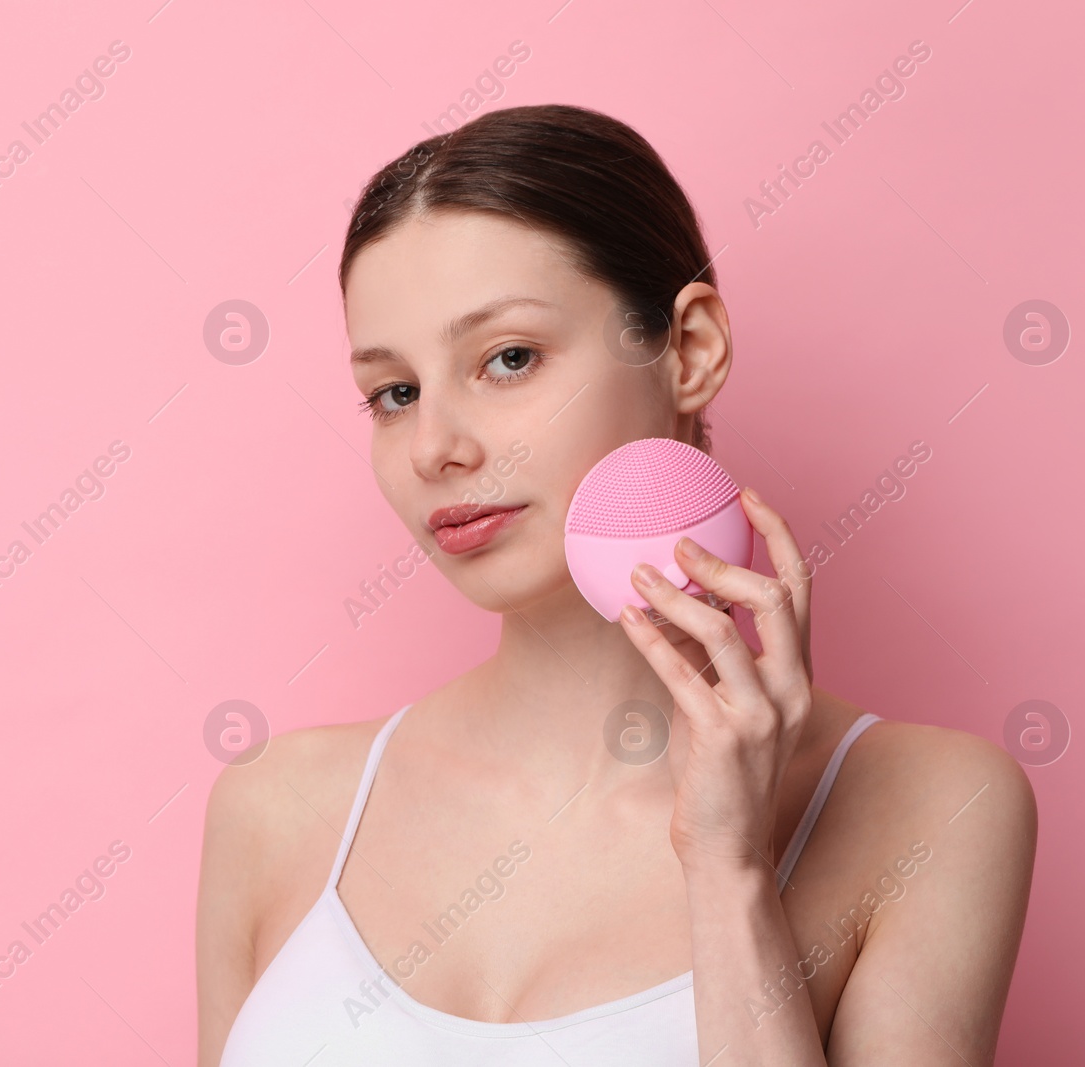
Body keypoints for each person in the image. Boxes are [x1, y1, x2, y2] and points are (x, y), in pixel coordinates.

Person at [196, 103, 1036, 1066]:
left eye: (508, 359)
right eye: (396, 392)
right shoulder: (275, 807)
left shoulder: (934, 807)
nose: (435, 448)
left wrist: (729, 873)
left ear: (689, 349)